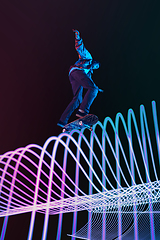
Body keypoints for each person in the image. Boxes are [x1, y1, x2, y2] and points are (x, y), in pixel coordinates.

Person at [57, 29, 103, 127]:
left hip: (73, 76)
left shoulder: (89, 73)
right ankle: (83, 111)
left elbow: (89, 82)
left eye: (96, 68)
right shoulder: (88, 57)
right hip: (77, 71)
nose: (95, 67)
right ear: (94, 62)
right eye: (96, 65)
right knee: (93, 89)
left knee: (77, 99)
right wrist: (78, 37)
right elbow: (80, 48)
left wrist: (97, 88)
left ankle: (62, 121)